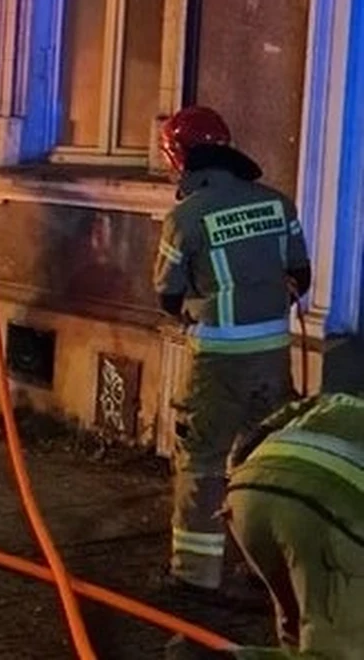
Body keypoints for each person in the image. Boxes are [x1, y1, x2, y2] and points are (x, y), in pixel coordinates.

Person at [152, 106, 311, 599]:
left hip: (219, 360)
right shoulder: (277, 204)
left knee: (202, 457)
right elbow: (301, 275)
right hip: (274, 353)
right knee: (263, 455)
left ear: (180, 158)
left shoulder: (185, 218)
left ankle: (195, 575)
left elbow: (167, 294)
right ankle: (265, 571)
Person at [166, 392, 364, 659]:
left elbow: (259, 434)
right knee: (340, 652)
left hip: (249, 493)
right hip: (329, 511)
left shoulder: (336, 401)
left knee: (298, 632)